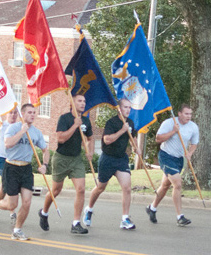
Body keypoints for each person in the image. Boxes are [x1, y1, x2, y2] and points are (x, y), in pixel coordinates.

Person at [0, 104, 49, 240]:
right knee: (11, 204)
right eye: (29, 112)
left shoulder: (36, 132)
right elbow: (7, 143)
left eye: (34, 112)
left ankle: (17, 230)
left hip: (26, 168)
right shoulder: (13, 128)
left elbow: (45, 150)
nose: (32, 115)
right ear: (23, 114)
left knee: (27, 202)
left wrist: (44, 165)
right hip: (11, 167)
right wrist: (22, 131)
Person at [39, 94, 93, 234]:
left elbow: (90, 138)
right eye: (79, 101)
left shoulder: (86, 121)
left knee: (81, 189)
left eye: (84, 101)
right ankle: (44, 212)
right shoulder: (65, 118)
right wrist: (75, 125)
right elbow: (61, 139)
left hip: (76, 159)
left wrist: (90, 151)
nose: (83, 103)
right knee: (56, 190)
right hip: (61, 158)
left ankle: (76, 223)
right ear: (72, 103)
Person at [83, 99, 140, 230]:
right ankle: (89, 209)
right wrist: (122, 130)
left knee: (127, 188)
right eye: (125, 107)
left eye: (129, 108)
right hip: (107, 158)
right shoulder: (112, 122)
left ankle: (125, 218)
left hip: (121, 159)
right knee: (100, 187)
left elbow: (133, 138)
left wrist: (136, 147)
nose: (128, 110)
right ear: (119, 109)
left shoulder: (130, 123)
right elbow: (107, 140)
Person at [146, 104, 199, 226]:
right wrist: (173, 131)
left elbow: (194, 143)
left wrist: (190, 153)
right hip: (166, 156)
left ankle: (152, 208)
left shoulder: (193, 127)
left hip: (179, 159)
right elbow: (158, 139)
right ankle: (180, 217)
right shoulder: (169, 123)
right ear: (179, 114)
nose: (189, 116)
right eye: (186, 114)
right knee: (178, 184)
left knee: (165, 186)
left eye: (190, 114)